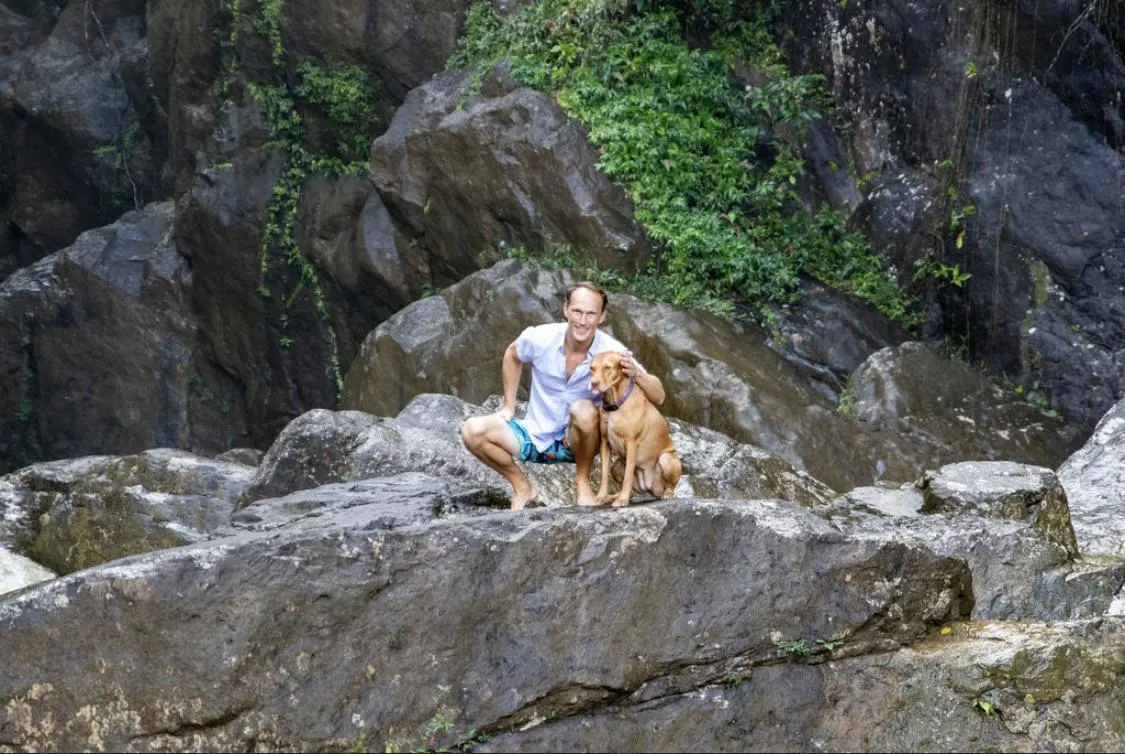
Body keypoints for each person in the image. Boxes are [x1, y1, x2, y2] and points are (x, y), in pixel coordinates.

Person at [460, 281, 666, 509]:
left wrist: (636, 373)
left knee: (583, 409)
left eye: (590, 314)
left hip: (580, 442)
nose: (582, 320)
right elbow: (512, 354)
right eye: (577, 311)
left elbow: (658, 396)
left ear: (602, 317)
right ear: (566, 308)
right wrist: (508, 406)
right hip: (535, 434)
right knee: (472, 430)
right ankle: (522, 487)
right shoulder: (540, 337)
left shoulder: (612, 354)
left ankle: (583, 483)